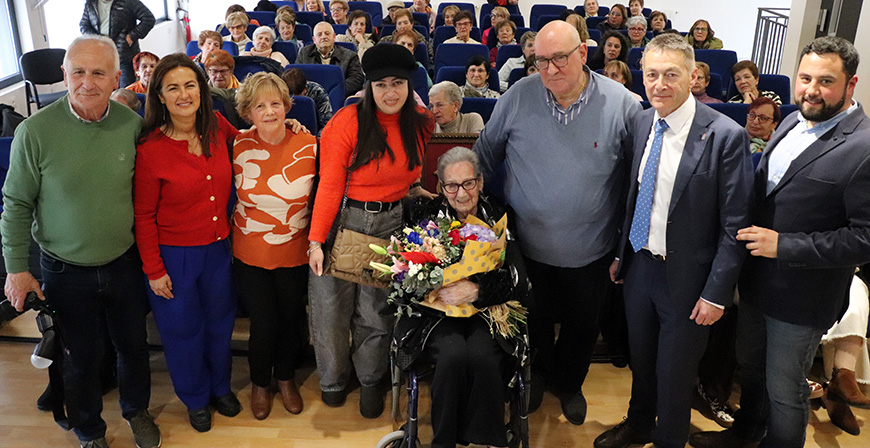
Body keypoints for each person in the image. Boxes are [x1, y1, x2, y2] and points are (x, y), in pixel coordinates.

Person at [690, 35, 870, 448]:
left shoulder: (863, 147)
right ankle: (747, 432)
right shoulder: (790, 119)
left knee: (785, 391)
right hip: (756, 283)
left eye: (826, 81)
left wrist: (784, 245)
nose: (810, 89)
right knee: (750, 369)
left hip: (802, 297)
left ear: (851, 84)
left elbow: (864, 239)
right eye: (805, 77)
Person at [474, 20, 641, 425]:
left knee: (582, 327)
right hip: (527, 247)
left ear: (583, 54)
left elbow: (636, 183)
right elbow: (484, 155)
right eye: (541, 60)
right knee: (533, 320)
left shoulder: (623, 104)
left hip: (592, 248)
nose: (549, 69)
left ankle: (569, 385)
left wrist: (624, 247)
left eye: (559, 58)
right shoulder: (518, 96)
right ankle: (534, 379)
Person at [593, 32, 753, 448]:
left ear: (693, 75)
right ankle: (639, 423)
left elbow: (735, 225)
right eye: (651, 75)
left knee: (675, 375)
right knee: (642, 363)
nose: (659, 84)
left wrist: (717, 293)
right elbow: (632, 195)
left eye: (670, 74)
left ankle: (669, 439)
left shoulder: (725, 135)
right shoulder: (642, 121)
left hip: (690, 281)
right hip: (640, 267)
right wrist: (620, 254)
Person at [1, 34, 160, 448]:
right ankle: (89, 430)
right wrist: (17, 269)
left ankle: (136, 410)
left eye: (98, 73)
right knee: (80, 359)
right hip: (63, 270)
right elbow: (16, 203)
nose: (86, 82)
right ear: (63, 74)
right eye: (78, 72)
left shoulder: (132, 127)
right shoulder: (34, 132)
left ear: (115, 79)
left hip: (124, 262)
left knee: (132, 347)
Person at [307, 43, 435, 419]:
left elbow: (411, 171)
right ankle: (332, 381)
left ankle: (369, 380)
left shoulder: (420, 123)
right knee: (330, 309)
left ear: (411, 85)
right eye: (381, 85)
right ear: (368, 87)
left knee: (376, 312)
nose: (390, 93)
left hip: (390, 223)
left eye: (399, 83)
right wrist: (316, 241)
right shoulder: (346, 122)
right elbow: (329, 186)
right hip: (344, 221)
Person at [134, 53, 241, 434]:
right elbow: (143, 216)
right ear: (160, 96)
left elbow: (250, 141)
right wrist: (154, 270)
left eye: (190, 85)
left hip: (218, 251)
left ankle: (220, 388)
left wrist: (287, 124)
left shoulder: (217, 127)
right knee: (183, 332)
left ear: (202, 89)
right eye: (173, 88)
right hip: (174, 257)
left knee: (219, 324)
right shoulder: (150, 148)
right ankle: (195, 398)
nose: (184, 94)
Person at [397, 147, 529, 448]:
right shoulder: (425, 217)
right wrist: (434, 287)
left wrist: (477, 290)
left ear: (480, 182)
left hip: (489, 311)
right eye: (451, 185)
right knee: (453, 355)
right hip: (438, 314)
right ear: (440, 187)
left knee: (483, 355)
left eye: (468, 183)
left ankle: (487, 438)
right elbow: (406, 276)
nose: (461, 193)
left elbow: (518, 279)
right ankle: (445, 439)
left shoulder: (498, 214)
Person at [231, 72, 317, 420]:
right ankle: (259, 383)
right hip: (250, 252)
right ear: (248, 112)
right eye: (259, 105)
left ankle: (285, 378)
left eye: (276, 103)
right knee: (264, 322)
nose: (269, 111)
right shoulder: (235, 143)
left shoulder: (310, 144)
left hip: (295, 250)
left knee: (290, 319)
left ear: (287, 106)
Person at [80, 0, 155, 87]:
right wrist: (97, 40)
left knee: (125, 93)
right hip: (101, 55)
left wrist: (131, 36)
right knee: (104, 89)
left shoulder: (128, 2)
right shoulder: (91, 2)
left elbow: (148, 19)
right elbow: (84, 25)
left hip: (124, 55)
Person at [296, 22, 365, 97]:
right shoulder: (304, 53)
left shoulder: (350, 56)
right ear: (314, 40)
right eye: (319, 34)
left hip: (340, 98)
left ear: (334, 37)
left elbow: (356, 79)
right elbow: (296, 76)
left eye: (327, 33)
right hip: (311, 97)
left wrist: (335, 92)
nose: (323, 37)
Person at [282, 67, 334, 136]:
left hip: (311, 136)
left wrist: (315, 141)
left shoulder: (317, 92)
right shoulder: (278, 92)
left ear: (305, 90)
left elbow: (327, 124)